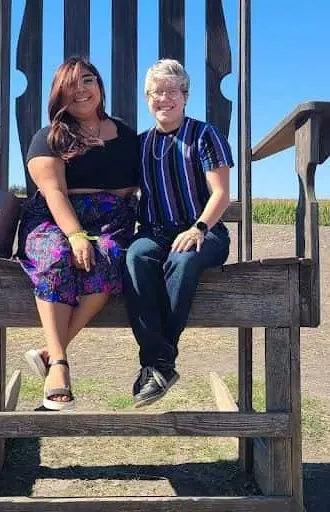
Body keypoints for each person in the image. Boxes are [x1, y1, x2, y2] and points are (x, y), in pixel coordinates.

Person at [17, 57, 139, 410]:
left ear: (100, 86)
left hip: (110, 221)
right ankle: (59, 363)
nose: (81, 90)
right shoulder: (49, 137)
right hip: (55, 219)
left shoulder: (127, 135)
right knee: (55, 256)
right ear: (59, 95)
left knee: (111, 256)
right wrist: (74, 235)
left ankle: (49, 350)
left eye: (88, 80)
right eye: (71, 85)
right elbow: (54, 192)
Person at [123, 59, 233, 407]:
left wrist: (198, 227)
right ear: (147, 99)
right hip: (154, 232)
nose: (164, 99)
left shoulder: (204, 135)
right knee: (135, 256)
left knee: (183, 259)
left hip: (205, 231)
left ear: (185, 96)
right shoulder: (139, 145)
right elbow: (123, 191)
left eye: (172, 91)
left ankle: (156, 362)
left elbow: (221, 193)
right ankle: (161, 364)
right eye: (156, 93)